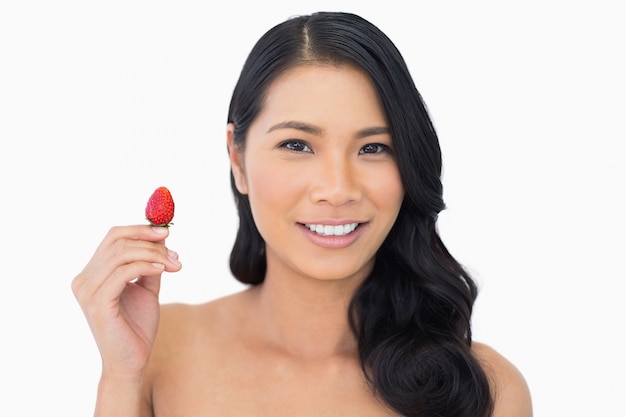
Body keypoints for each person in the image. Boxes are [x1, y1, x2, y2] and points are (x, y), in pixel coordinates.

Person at [72, 11, 532, 417]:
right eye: (297, 145)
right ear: (237, 158)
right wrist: (122, 377)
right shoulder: (158, 351)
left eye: (374, 147)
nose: (337, 189)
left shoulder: (487, 391)